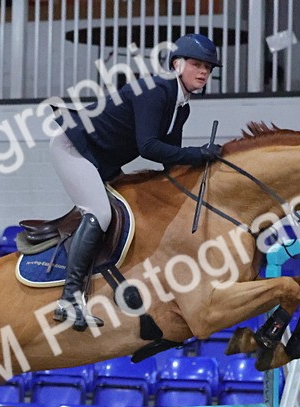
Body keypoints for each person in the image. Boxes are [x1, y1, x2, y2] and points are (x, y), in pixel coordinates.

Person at [48, 33, 224, 330]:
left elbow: (172, 163)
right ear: (177, 64)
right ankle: (69, 298)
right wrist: (198, 153)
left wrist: (205, 175)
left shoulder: (182, 106)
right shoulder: (156, 90)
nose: (204, 72)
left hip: (101, 157)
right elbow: (149, 147)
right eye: (197, 64)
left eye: (209, 67)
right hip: (73, 146)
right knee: (100, 212)